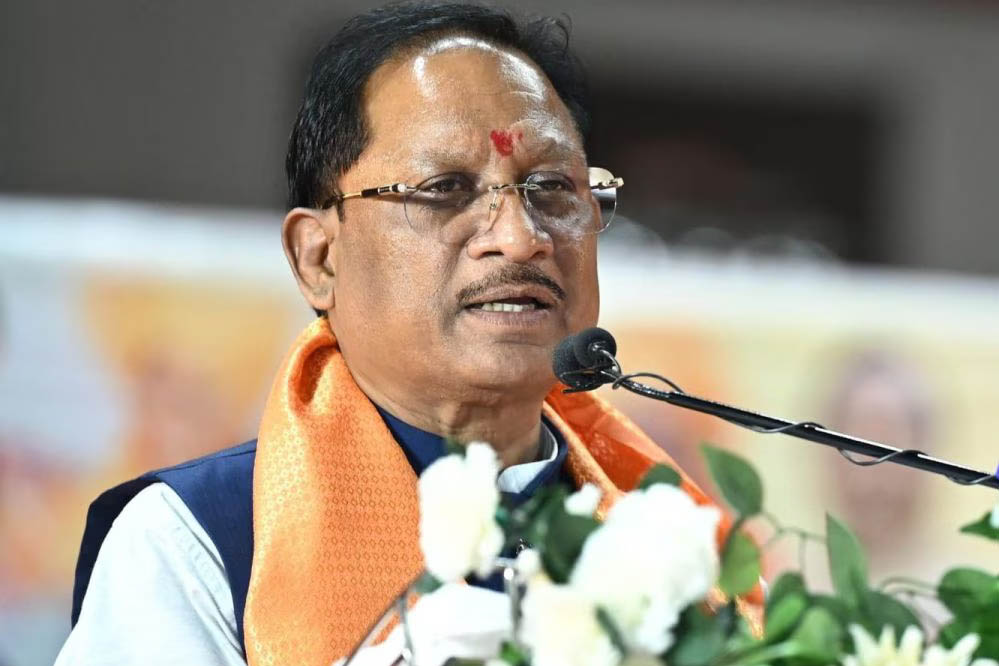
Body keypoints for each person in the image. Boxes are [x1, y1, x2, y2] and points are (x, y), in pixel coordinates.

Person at [57, 3, 757, 665]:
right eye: (445, 188)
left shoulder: (668, 542)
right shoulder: (198, 538)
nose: (520, 238)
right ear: (319, 259)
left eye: (551, 188)